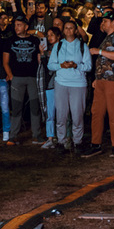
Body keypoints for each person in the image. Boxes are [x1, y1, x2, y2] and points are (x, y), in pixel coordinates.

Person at [47, 20, 93, 154]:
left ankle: (77, 142)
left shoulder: (82, 46)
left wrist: (75, 66)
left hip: (78, 83)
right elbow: (51, 65)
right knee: (61, 114)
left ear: (75, 30)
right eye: (66, 28)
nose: (68, 30)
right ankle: (61, 142)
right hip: (61, 82)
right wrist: (61, 65)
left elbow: (88, 66)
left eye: (71, 28)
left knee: (77, 115)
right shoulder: (58, 46)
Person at [88, 11, 114, 156]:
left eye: (105, 21)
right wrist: (97, 77)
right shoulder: (106, 38)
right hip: (102, 80)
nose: (102, 24)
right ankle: (96, 144)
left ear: (113, 22)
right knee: (97, 112)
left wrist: (98, 51)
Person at [3, 14, 42, 145]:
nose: (16, 27)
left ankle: (36, 135)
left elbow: (39, 58)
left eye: (19, 25)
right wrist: (12, 76)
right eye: (15, 25)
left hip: (32, 78)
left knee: (35, 106)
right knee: (16, 107)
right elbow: (5, 61)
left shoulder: (35, 41)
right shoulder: (10, 40)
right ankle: (13, 135)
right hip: (17, 78)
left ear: (26, 27)